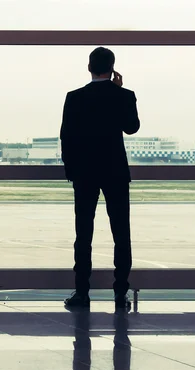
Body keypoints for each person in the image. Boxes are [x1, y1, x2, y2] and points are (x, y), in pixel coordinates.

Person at [59, 46, 140, 309]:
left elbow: (66, 136)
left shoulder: (74, 97)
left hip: (84, 173)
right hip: (115, 171)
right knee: (121, 233)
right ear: (112, 68)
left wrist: (71, 170)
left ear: (89, 67)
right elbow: (132, 127)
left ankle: (82, 293)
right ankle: (120, 293)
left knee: (83, 233)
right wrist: (120, 91)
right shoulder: (124, 95)